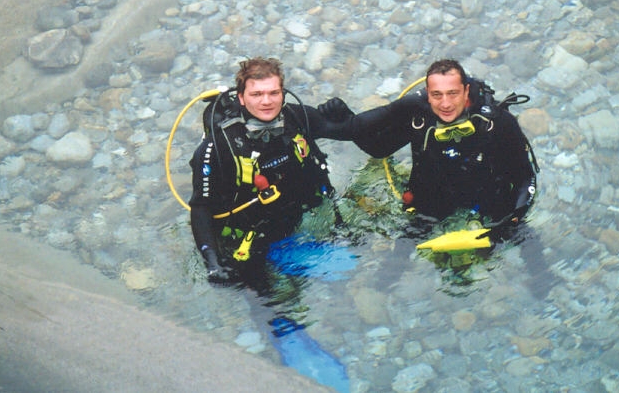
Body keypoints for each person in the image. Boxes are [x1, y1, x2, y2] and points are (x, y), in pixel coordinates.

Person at [326, 59, 539, 242]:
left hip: (488, 198)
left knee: (526, 241)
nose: (445, 104)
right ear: (428, 94)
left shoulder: (496, 122)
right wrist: (344, 117)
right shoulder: (418, 116)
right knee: (399, 255)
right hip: (432, 200)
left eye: (453, 93)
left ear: (466, 91)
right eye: (437, 95)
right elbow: (379, 148)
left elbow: (525, 178)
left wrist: (514, 217)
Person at [188, 57, 352, 284]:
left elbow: (354, 131)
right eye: (256, 94)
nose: (266, 101)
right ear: (241, 98)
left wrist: (346, 114)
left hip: (299, 218)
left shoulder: (296, 117)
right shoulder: (217, 146)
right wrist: (212, 262)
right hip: (249, 237)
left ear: (282, 93)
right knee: (273, 298)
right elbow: (200, 207)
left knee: (348, 269)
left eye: (274, 93)